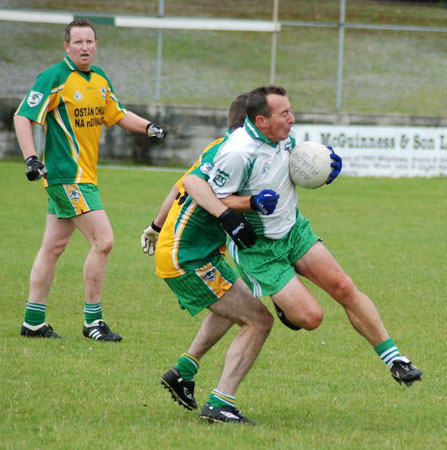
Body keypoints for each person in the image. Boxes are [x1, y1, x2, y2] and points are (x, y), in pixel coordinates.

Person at [207, 85, 422, 387]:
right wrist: (251, 202)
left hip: (294, 231)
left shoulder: (284, 139)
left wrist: (324, 168)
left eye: (291, 111)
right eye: (284, 114)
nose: (292, 119)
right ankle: (285, 303)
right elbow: (215, 197)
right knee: (310, 318)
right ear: (261, 121)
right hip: (260, 249)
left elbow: (297, 169)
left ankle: (396, 359)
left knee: (344, 286)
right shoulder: (237, 153)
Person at [14, 19, 167, 341]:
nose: (84, 47)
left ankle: (33, 322)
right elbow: (23, 116)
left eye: (89, 41)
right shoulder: (54, 78)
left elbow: (118, 113)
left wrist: (149, 127)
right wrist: (31, 158)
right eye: (78, 42)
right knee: (104, 241)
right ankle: (93, 322)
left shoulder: (99, 79)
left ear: (95, 45)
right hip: (68, 178)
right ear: (66, 46)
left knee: (53, 247)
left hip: (85, 178)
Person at [143, 94, 279, 425]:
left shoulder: (223, 147)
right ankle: (220, 403)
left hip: (198, 252)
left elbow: (179, 186)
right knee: (259, 320)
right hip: (187, 257)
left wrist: (156, 226)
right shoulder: (232, 153)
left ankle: (183, 372)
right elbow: (189, 185)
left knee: (238, 301)